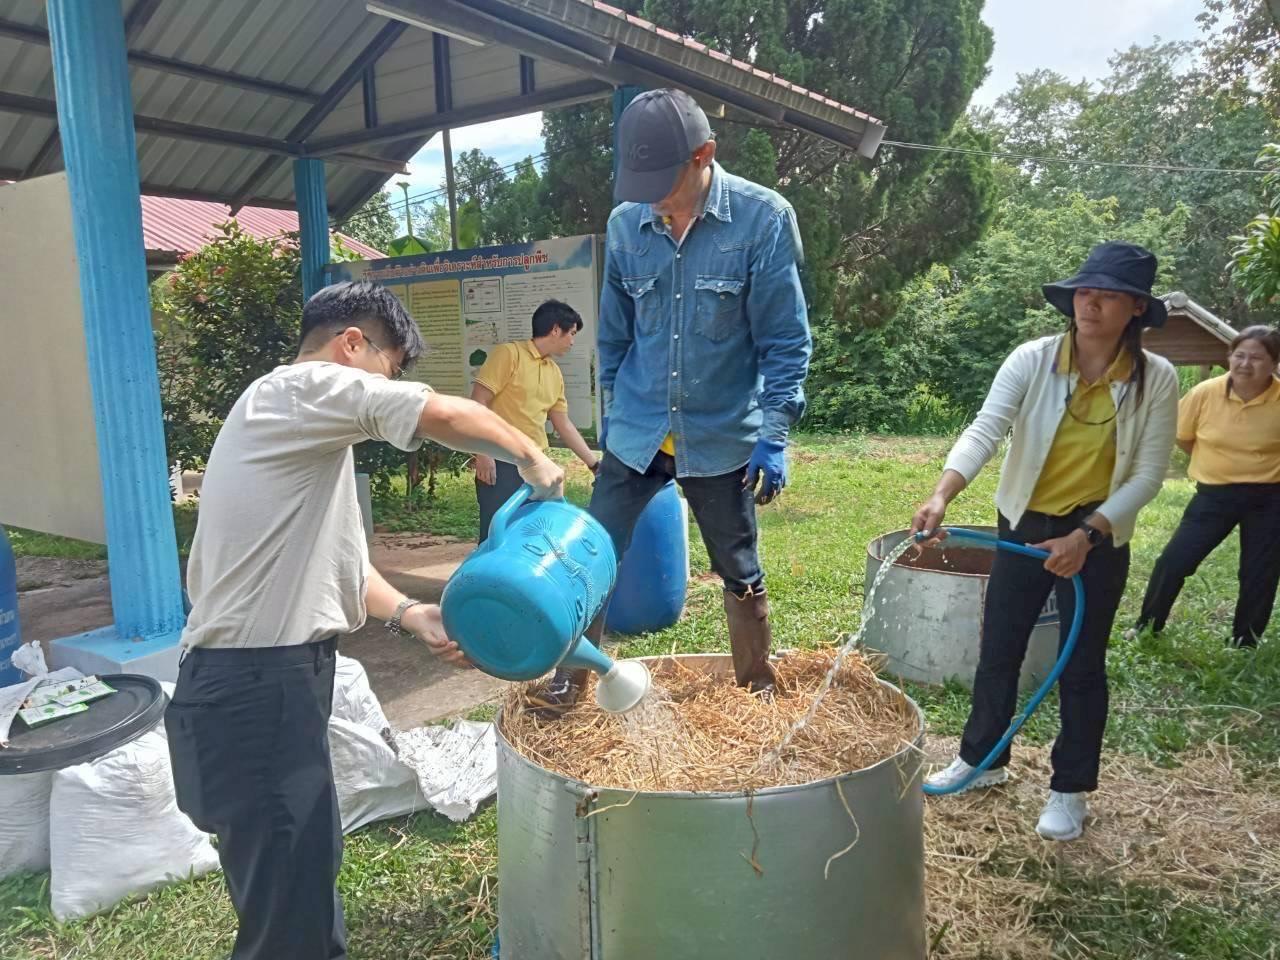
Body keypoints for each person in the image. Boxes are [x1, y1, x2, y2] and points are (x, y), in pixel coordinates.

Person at [165, 281, 564, 960]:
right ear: (352, 344)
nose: (391, 384)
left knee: (299, 887)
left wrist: (415, 613)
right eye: (390, 366)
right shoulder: (296, 389)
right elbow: (437, 412)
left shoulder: (304, 441)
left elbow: (343, 568)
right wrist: (532, 456)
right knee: (289, 917)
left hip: (270, 686)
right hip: (253, 689)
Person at [530, 87, 811, 715]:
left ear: (704, 154)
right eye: (640, 181)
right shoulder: (627, 224)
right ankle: (572, 679)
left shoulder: (762, 220)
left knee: (738, 564)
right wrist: (609, 416)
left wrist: (774, 432)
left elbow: (785, 340)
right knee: (593, 552)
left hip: (721, 433)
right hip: (636, 430)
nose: (651, 196)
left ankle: (756, 686)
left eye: (663, 180)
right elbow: (616, 334)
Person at [910, 242, 1178, 841]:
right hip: (1025, 522)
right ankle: (981, 760)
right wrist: (942, 493)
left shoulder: (1155, 380)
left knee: (1082, 666)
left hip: (1099, 533)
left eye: (1108, 295)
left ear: (1136, 308)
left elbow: (1147, 475)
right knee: (1000, 647)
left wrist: (1087, 536)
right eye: (1085, 292)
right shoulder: (1033, 360)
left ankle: (1070, 789)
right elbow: (986, 429)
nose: (1092, 304)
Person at [1131, 325, 1280, 647]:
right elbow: (1183, 436)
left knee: (1260, 572)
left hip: (1269, 497)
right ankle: (1147, 625)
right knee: (1174, 561)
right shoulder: (1205, 393)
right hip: (1214, 495)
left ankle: (1246, 640)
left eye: (1256, 357)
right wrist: (1215, 461)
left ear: (1274, 363)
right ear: (1229, 357)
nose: (1245, 364)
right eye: (1239, 355)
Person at [470, 299, 600, 543]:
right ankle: (487, 580)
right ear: (555, 330)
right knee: (495, 533)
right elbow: (478, 401)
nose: (572, 341)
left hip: (536, 463)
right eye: (571, 333)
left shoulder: (553, 371)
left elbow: (563, 424)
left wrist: (593, 464)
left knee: (530, 534)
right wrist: (482, 454)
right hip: (501, 460)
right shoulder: (509, 354)